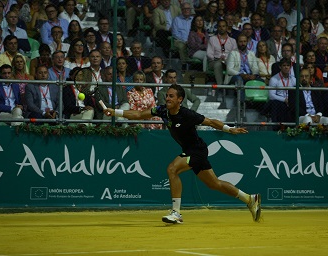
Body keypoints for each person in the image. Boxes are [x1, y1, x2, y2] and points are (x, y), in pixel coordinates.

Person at [103, 83, 261, 224]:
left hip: (197, 150)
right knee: (215, 184)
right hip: (189, 150)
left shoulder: (187, 115)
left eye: (171, 96)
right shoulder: (162, 110)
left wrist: (229, 129)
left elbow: (211, 121)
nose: (167, 98)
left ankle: (176, 212)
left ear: (180, 99)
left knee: (172, 169)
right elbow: (138, 114)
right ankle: (249, 199)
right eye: (167, 96)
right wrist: (115, 112)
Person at [206, 19, 237, 86]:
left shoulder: (232, 41)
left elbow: (235, 54)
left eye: (223, 26)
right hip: (215, 61)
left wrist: (227, 60)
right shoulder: (212, 39)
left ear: (227, 27)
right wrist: (217, 59)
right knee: (218, 64)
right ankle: (221, 86)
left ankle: (228, 84)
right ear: (217, 28)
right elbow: (209, 53)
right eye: (220, 26)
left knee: (231, 64)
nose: (221, 28)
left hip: (228, 61)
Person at [267, 57, 295, 123]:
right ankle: (276, 126)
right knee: (276, 104)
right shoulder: (274, 79)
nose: (286, 67)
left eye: (288, 65)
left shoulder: (293, 79)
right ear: (280, 67)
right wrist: (284, 100)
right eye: (284, 65)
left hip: (290, 102)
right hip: (279, 102)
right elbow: (271, 95)